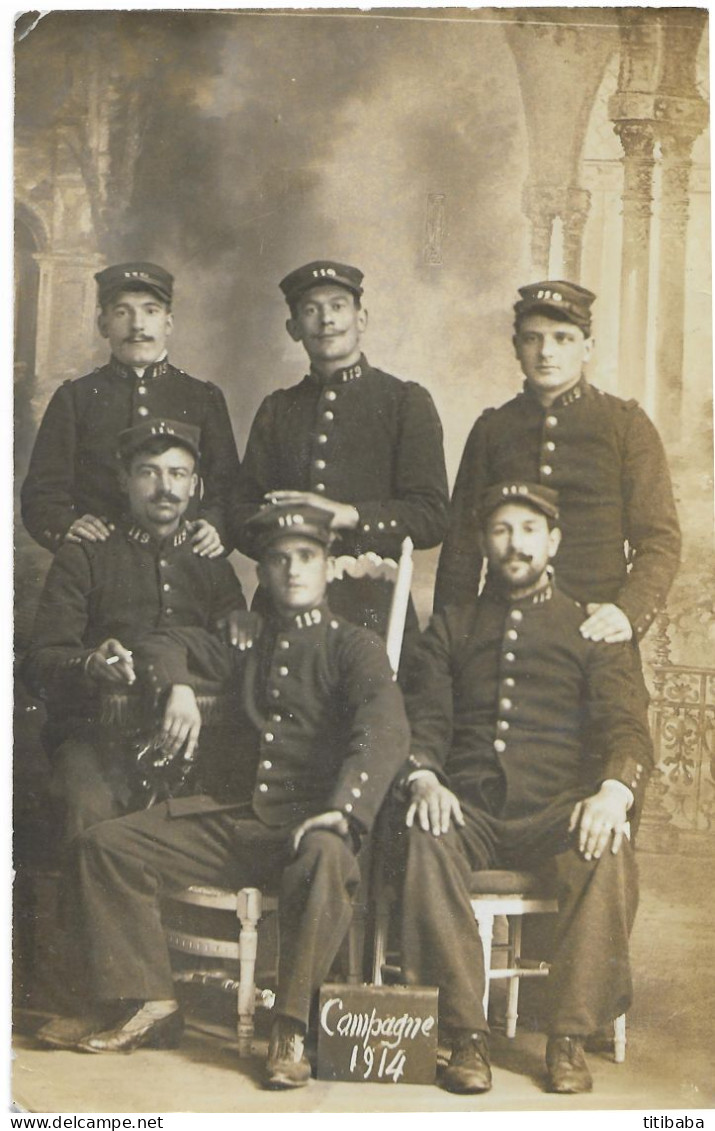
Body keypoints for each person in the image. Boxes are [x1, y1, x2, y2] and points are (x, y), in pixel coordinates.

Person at [35, 502, 410, 1092]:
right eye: (278, 560)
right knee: (104, 844)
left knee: (328, 856)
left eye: (307, 558)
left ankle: (290, 1027)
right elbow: (161, 642)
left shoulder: (354, 646)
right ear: (261, 573)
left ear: (329, 566)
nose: (292, 571)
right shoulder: (246, 642)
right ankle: (152, 999)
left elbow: (383, 730)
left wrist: (343, 810)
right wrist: (178, 687)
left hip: (310, 826)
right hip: (237, 821)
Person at [396, 482, 653, 1095]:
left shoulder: (589, 629)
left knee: (609, 843)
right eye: (503, 530)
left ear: (553, 541)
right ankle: (465, 1035)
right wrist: (425, 774)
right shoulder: (453, 627)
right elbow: (424, 718)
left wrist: (614, 790)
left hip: (556, 812)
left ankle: (567, 1038)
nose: (516, 544)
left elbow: (628, 729)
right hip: (472, 808)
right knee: (422, 832)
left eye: (529, 530)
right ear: (485, 542)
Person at [22, 419, 246, 844]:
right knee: (91, 812)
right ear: (124, 479)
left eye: (178, 474)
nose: (165, 486)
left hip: (196, 741)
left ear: (195, 484)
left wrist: (176, 679)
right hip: (97, 740)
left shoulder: (211, 560)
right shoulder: (85, 553)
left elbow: (234, 654)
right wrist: (88, 664)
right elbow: (38, 664)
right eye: (149, 472)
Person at [434, 281, 680, 645]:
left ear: (587, 348)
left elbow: (659, 540)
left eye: (563, 338)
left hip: (594, 630)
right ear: (517, 347)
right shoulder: (493, 429)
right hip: (503, 632)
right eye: (533, 339)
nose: (546, 352)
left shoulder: (625, 425)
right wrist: (450, 640)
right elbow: (461, 549)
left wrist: (628, 613)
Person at [230, 259, 449, 637]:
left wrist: (347, 515)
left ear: (361, 318)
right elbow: (240, 515)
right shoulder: (277, 408)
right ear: (294, 328)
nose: (326, 320)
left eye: (337, 306)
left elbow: (430, 516)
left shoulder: (403, 402)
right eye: (311, 310)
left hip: (373, 610)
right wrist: (293, 537)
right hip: (282, 612)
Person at [21, 261, 240, 558]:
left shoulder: (203, 397)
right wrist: (66, 526)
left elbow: (227, 489)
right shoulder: (75, 398)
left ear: (168, 323)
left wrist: (215, 528)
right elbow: (42, 495)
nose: (137, 325)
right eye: (123, 312)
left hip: (183, 565)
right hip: (98, 566)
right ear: (103, 324)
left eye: (150, 311)